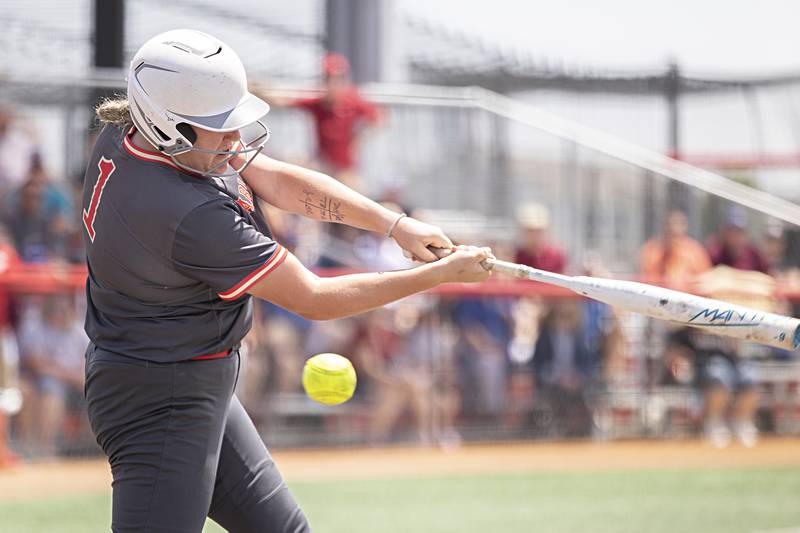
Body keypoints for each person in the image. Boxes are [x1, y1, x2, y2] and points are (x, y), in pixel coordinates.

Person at [83, 29, 492, 533]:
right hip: (159, 399)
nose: (236, 140)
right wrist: (438, 276)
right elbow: (313, 297)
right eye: (220, 128)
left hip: (192, 382)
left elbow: (275, 179)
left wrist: (394, 224)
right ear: (171, 128)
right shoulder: (187, 213)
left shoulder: (135, 134)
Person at [290, 53, 382, 191]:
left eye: (337, 78)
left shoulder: (353, 99)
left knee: (354, 197)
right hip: (323, 165)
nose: (332, 83)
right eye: (328, 78)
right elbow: (286, 100)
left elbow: (378, 118)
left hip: (346, 168)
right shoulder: (318, 102)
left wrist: (359, 140)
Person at [639, 210, 712, 287]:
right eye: (670, 226)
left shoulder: (694, 252)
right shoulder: (650, 251)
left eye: (679, 225)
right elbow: (645, 281)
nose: (674, 228)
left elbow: (705, 281)